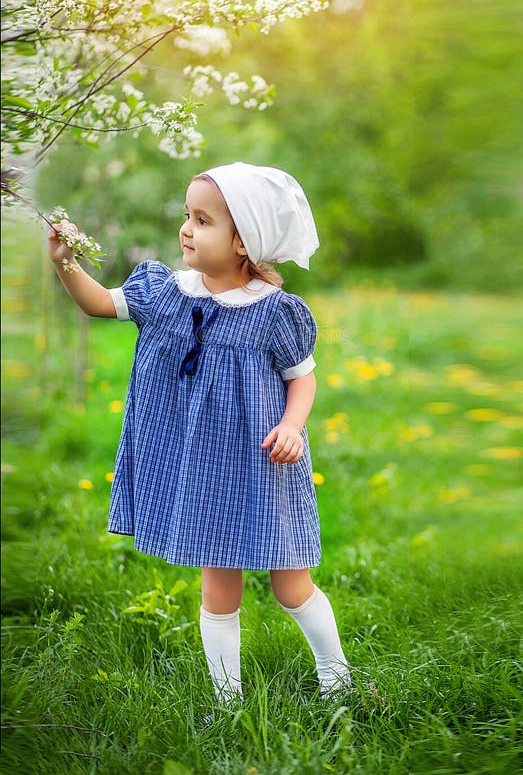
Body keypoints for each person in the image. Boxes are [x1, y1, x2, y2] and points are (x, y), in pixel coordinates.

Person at [48, 161, 351, 705]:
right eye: (187, 215)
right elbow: (98, 303)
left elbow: (302, 379)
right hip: (205, 470)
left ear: (244, 241)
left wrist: (291, 425)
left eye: (203, 220)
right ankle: (227, 701)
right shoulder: (166, 293)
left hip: (263, 466)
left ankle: (335, 674)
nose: (186, 228)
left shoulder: (275, 314)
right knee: (219, 589)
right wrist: (67, 262)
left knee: (291, 585)